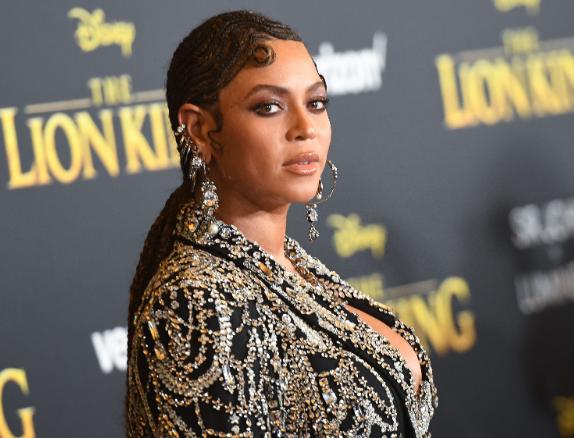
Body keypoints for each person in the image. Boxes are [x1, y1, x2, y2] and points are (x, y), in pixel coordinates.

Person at [125, 10, 438, 437]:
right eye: (269, 107)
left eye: (316, 103)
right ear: (199, 130)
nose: (305, 128)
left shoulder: (286, 265)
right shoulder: (192, 305)